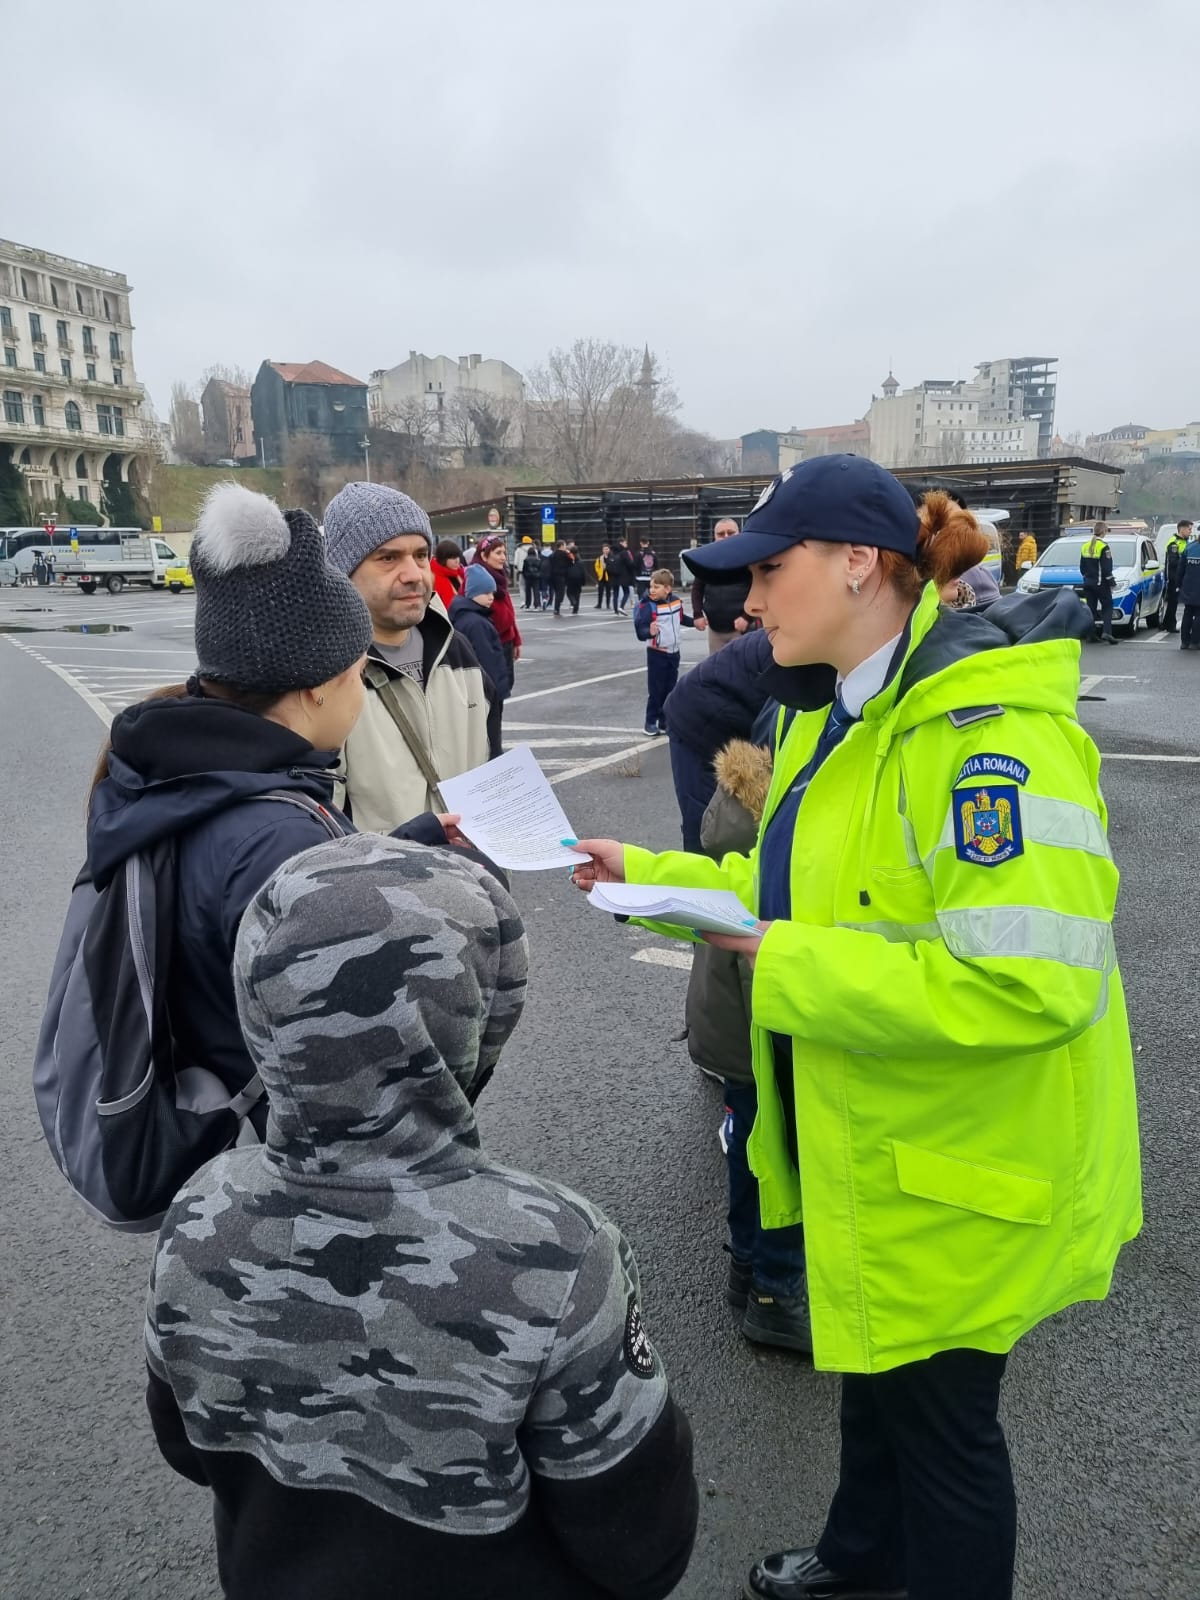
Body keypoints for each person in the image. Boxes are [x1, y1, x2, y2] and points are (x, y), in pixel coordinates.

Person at [569, 457, 1141, 1600]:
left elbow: (1028, 986)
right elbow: (790, 893)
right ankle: (864, 1555)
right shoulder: (845, 712)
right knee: (880, 1373)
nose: (747, 603)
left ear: (859, 564)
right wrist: (652, 875)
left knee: (946, 1432)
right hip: (892, 1150)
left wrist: (786, 963)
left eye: (769, 570)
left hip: (964, 1169)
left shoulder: (984, 740)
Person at [144, 833, 699, 1600]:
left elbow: (185, 1443)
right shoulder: (558, 1249)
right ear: (479, 1009)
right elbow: (641, 1546)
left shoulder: (202, 1209)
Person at [84, 482, 454, 1143]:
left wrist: (412, 844)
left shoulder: (184, 774)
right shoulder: (280, 838)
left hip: (207, 1109)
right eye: (355, 675)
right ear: (315, 689)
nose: (360, 694)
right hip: (276, 1143)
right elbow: (350, 1056)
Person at [323, 483, 491, 832]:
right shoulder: (324, 672)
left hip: (469, 866)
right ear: (342, 573)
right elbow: (321, 828)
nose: (414, 574)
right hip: (380, 868)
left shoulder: (456, 648)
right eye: (388, 558)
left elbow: (492, 770)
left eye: (420, 555)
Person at [449, 563, 512, 756]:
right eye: (486, 593)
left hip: (478, 691)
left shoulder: (468, 616)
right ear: (472, 593)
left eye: (492, 592)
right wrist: (497, 690)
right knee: (491, 739)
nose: (491, 597)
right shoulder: (477, 623)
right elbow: (487, 660)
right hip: (487, 691)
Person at [634, 568, 701, 736]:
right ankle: (650, 722)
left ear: (668, 589)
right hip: (657, 653)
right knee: (656, 690)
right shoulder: (648, 605)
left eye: (656, 587)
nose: (652, 590)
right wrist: (649, 632)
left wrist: (695, 622)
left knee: (670, 689)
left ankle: (664, 721)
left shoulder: (676, 602)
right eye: (651, 586)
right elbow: (641, 631)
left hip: (674, 652)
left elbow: (681, 619)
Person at [689, 517, 755, 652]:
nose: (726, 537)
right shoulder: (706, 559)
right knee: (717, 665)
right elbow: (697, 589)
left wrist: (747, 617)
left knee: (743, 664)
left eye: (730, 533)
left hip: (742, 628)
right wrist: (697, 614)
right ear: (714, 536)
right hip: (715, 630)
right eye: (721, 534)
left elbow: (759, 589)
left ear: (739, 534)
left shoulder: (749, 558)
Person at [476, 532, 522, 688]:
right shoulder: (477, 580)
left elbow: (509, 612)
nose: (503, 557)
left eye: (504, 553)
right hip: (489, 644)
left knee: (505, 686)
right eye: (498, 553)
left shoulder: (500, 578)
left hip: (505, 641)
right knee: (492, 690)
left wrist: (516, 640)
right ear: (484, 556)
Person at [1080, 520, 1120, 645]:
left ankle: (1091, 634)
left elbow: (1082, 567)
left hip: (1088, 583)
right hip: (1100, 583)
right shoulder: (1104, 547)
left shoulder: (1085, 546)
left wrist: (1087, 578)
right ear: (1104, 532)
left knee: (1091, 608)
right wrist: (1112, 582)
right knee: (1107, 606)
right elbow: (1106, 569)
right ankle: (1107, 632)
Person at [1163, 519, 1192, 634]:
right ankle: (1170, 624)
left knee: (1174, 602)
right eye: (1189, 529)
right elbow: (1173, 561)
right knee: (1173, 602)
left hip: (1183, 576)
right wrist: (1185, 560)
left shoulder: (1186, 542)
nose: (1190, 532)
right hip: (1174, 577)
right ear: (1182, 529)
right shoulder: (1174, 543)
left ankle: (1166, 623)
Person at [1177, 525, 1200, 650]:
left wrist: (1178, 585)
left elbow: (1180, 569)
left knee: (1187, 613)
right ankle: (1195, 642)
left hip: (1188, 587)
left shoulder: (1189, 547)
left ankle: (1184, 642)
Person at [431, 538, 465, 612]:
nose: (457, 561)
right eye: (453, 558)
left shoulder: (460, 573)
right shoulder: (433, 577)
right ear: (443, 559)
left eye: (458, 556)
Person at [611, 539, 636, 615]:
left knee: (615, 593)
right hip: (624, 575)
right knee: (626, 592)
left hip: (614, 576)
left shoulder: (613, 553)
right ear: (621, 543)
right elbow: (629, 563)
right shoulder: (624, 553)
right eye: (625, 543)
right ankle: (621, 607)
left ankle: (616, 610)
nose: (626, 544)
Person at [550, 540, 573, 616]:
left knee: (557, 592)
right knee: (560, 593)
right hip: (561, 575)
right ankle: (557, 608)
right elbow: (571, 561)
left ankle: (556, 607)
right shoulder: (564, 554)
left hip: (553, 575)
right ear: (562, 546)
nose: (566, 547)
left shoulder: (553, 554)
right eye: (565, 545)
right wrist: (568, 553)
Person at [565, 541, 587, 614]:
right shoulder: (580, 560)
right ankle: (576, 609)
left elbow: (566, 569)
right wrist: (583, 581)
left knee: (569, 592)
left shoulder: (569, 559)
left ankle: (573, 601)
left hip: (570, 577)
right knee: (577, 594)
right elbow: (583, 572)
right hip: (579, 578)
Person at [634, 537, 658, 601]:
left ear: (641, 543)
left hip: (640, 577)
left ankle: (642, 606)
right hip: (651, 577)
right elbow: (656, 566)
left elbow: (635, 565)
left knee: (641, 596)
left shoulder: (638, 554)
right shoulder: (653, 553)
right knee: (652, 595)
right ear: (648, 543)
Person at [522, 540, 542, 610]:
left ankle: (527, 604)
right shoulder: (538, 559)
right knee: (536, 591)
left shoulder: (526, 560)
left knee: (528, 591)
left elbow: (524, 569)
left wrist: (525, 575)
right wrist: (539, 575)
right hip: (536, 577)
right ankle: (537, 604)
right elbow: (540, 568)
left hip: (528, 577)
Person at [512, 533, 532, 600]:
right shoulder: (533, 549)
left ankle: (523, 601)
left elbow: (515, 561)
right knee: (529, 586)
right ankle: (528, 601)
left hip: (522, 571)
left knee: (521, 586)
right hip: (531, 571)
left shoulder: (519, 549)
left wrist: (516, 569)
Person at [594, 542, 613, 609]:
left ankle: (608, 604)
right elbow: (596, 566)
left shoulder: (611, 557)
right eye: (604, 549)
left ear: (609, 549)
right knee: (600, 591)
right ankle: (599, 604)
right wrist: (599, 572)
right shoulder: (600, 558)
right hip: (601, 577)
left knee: (608, 592)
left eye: (607, 549)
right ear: (602, 550)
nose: (606, 550)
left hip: (609, 577)